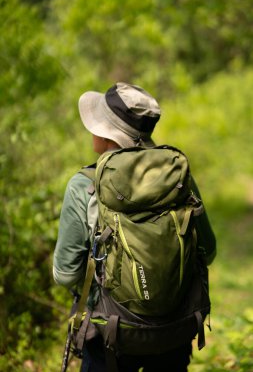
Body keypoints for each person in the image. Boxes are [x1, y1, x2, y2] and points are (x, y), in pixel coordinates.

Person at [53, 82, 216, 372]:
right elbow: (209, 251)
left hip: (110, 333)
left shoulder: (84, 186)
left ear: (106, 135)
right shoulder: (177, 179)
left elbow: (65, 275)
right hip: (174, 329)